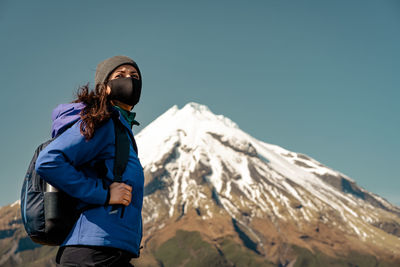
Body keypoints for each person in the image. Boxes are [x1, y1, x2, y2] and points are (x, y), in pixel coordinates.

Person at [35, 55, 145, 266]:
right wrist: (104, 194)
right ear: (104, 88)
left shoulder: (122, 129)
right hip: (92, 253)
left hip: (113, 251)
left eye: (135, 76)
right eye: (120, 75)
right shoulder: (103, 123)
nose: (129, 80)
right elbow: (48, 161)